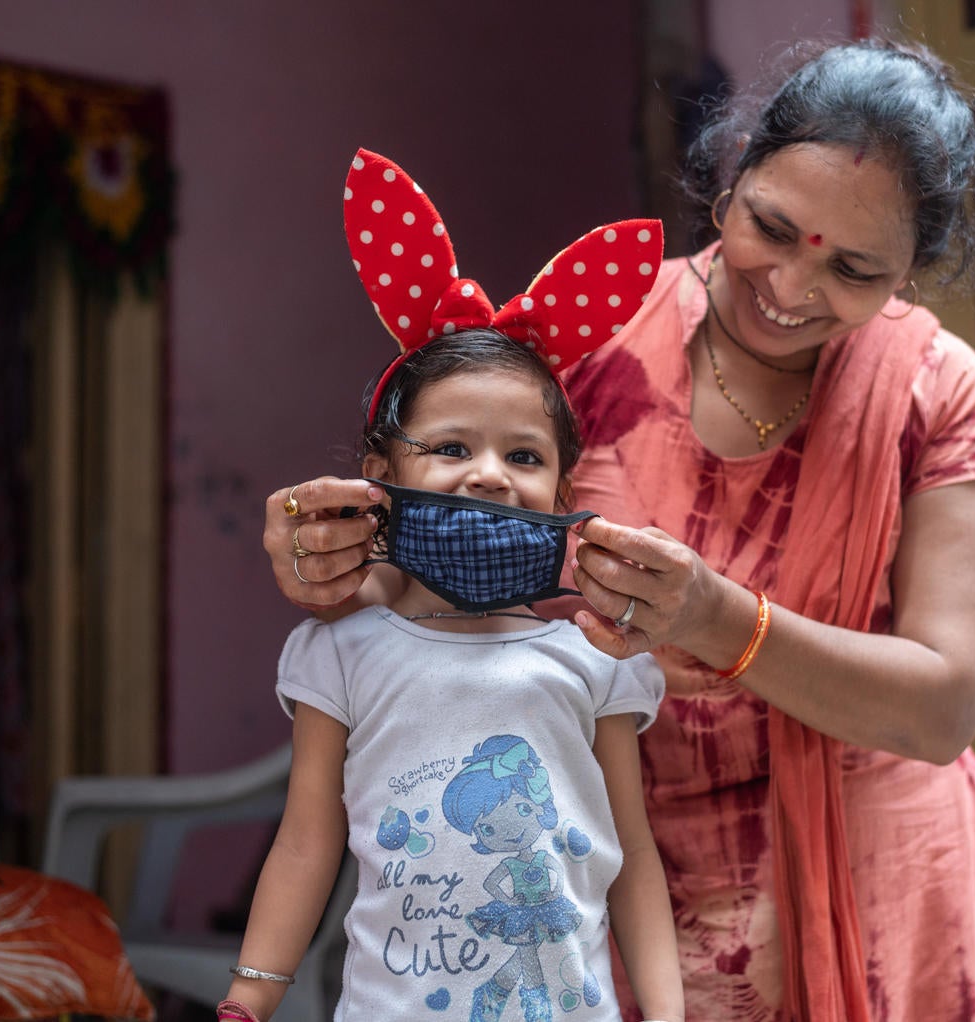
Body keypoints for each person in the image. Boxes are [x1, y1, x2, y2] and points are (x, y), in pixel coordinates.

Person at [265, 38, 975, 1022]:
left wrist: (722, 619)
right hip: (633, 889)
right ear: (735, 176)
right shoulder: (586, 343)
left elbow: (940, 707)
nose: (793, 289)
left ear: (911, 277)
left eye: (851, 268)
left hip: (890, 899)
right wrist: (334, 563)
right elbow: (438, 571)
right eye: (774, 226)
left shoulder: (937, 392)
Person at [221, 152, 684, 1022]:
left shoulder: (599, 657)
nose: (488, 476)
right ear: (375, 476)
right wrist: (251, 997)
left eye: (524, 456)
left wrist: (666, 1015)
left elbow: (632, 859)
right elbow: (306, 842)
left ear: (566, 496)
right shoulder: (339, 652)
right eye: (449, 448)